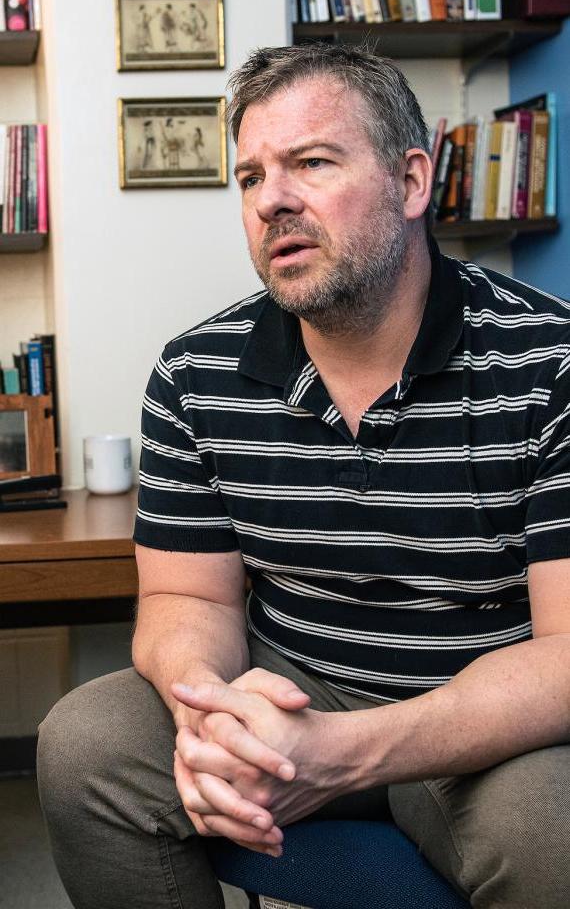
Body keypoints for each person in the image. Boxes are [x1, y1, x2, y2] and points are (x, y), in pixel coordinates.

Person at [37, 44, 570, 909]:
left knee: (555, 827)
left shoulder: (551, 361)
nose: (271, 199)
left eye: (311, 163)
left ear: (409, 182)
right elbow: (190, 603)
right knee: (85, 744)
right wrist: (212, 712)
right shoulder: (194, 372)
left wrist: (350, 748)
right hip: (293, 683)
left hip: (485, 717)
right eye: (249, 178)